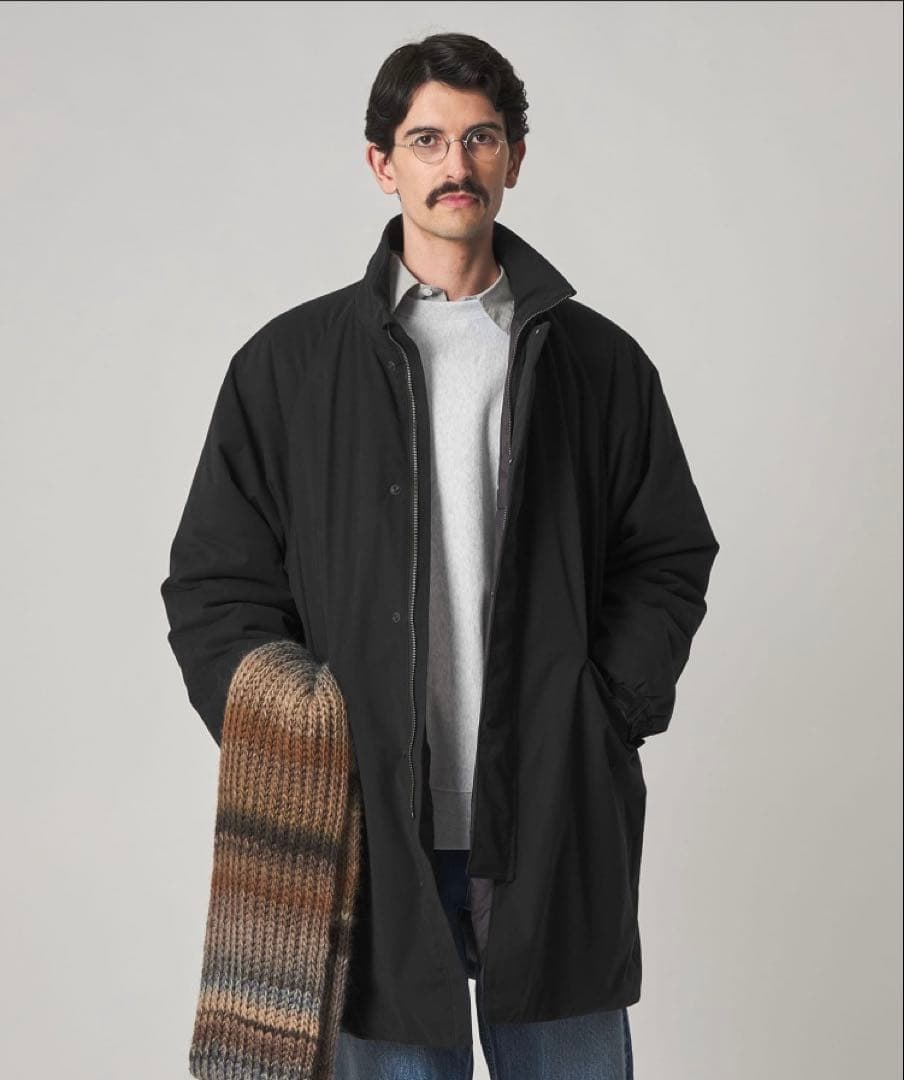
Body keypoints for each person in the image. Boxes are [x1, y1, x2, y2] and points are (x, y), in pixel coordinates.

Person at [161, 31, 719, 1080]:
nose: (455, 164)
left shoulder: (598, 364)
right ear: (382, 163)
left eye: (480, 138)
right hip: (365, 817)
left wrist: (604, 709)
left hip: (551, 806)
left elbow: (666, 551)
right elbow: (214, 584)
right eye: (427, 140)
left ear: (514, 157)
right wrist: (294, 729)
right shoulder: (288, 367)